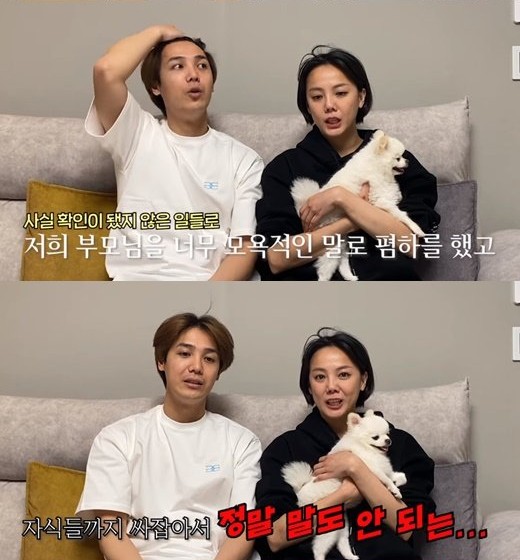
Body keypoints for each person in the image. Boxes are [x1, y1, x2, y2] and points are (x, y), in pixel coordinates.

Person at [76, 313, 262, 560]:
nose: (196, 367)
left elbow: (244, 531)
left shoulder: (242, 442)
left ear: (218, 371)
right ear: (161, 361)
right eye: (184, 353)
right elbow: (111, 530)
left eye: (209, 359)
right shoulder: (117, 438)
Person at [87, 26, 264, 280]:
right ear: (155, 86)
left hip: (207, 284)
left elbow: (244, 249)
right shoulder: (136, 135)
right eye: (178, 66)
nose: (194, 75)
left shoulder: (243, 159)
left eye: (202, 66)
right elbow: (106, 71)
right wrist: (159, 32)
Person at [255, 46, 440, 280]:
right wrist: (351, 220)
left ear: (361, 97)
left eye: (341, 93)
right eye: (317, 97)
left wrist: (339, 197)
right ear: (308, 106)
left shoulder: (393, 158)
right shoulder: (284, 168)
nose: (329, 105)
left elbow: (408, 242)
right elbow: (276, 258)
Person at [255, 328, 435, 560]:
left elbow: (407, 527)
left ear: (363, 380)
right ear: (309, 386)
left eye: (343, 375)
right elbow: (275, 537)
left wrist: (356, 468)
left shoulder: (400, 444)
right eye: (320, 377)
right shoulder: (285, 449)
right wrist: (342, 495)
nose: (331, 386)